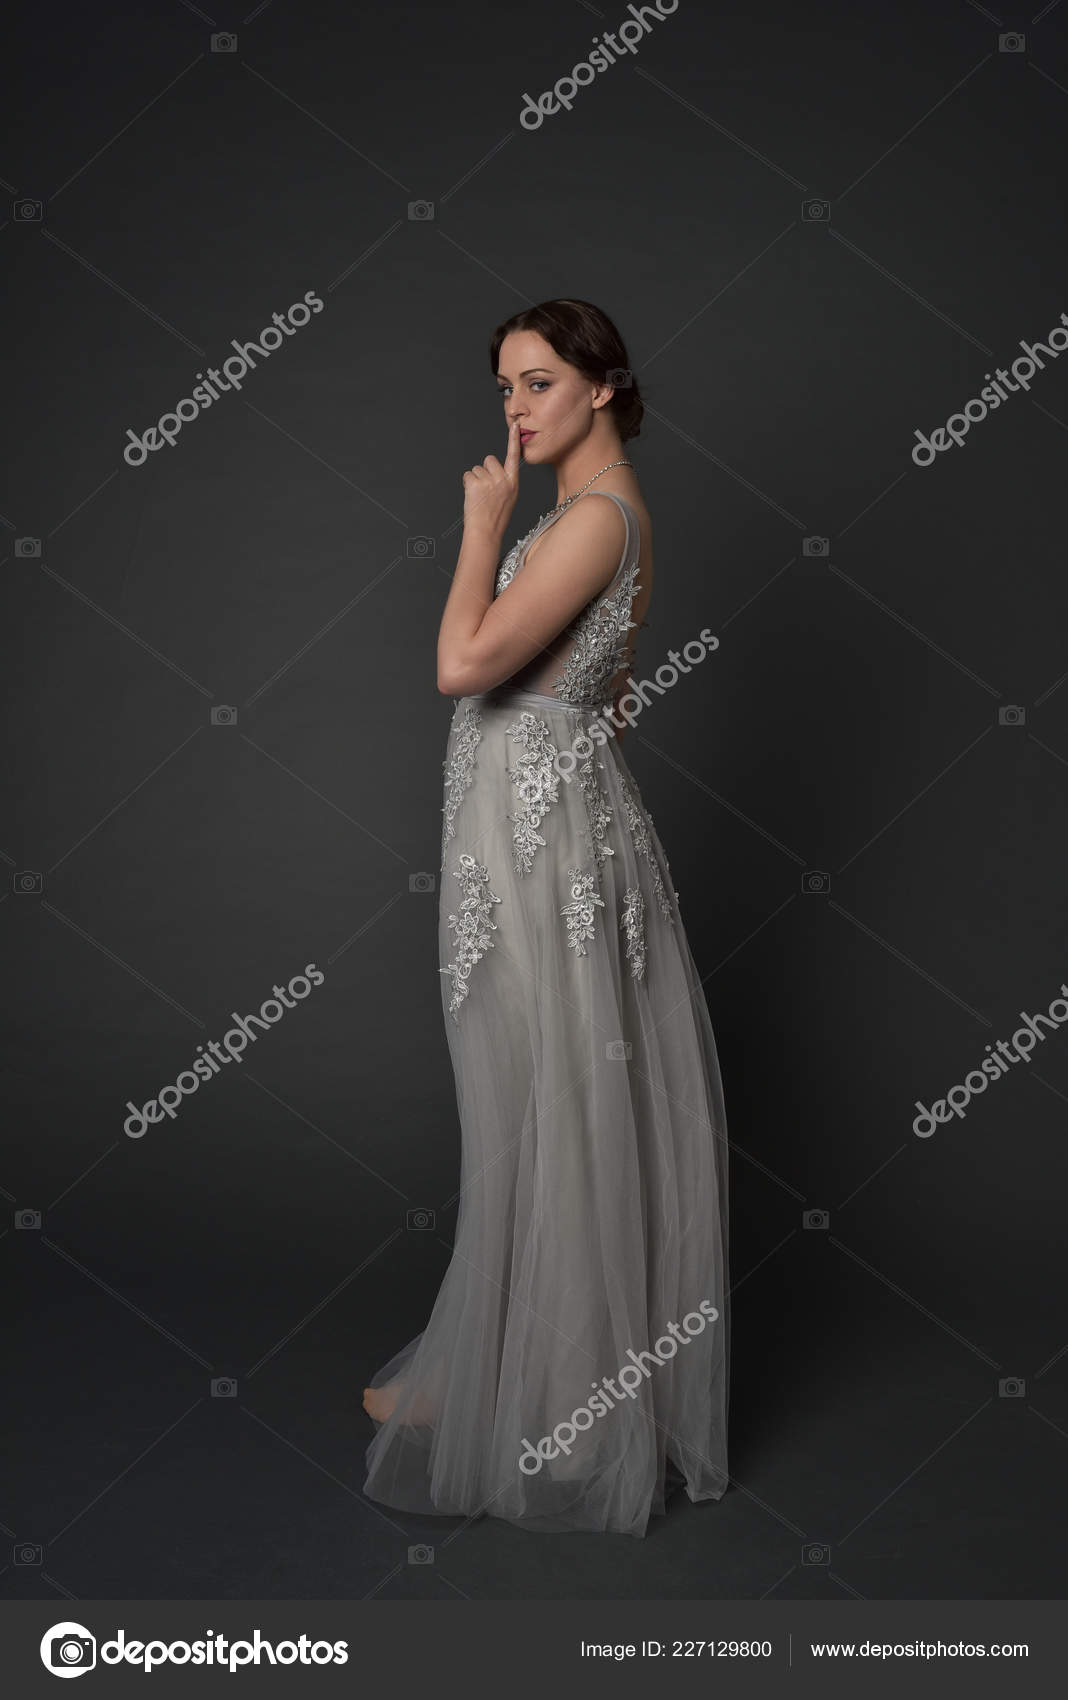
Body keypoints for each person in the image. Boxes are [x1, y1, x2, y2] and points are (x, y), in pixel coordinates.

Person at [362, 299, 729, 1537]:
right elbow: (605, 690)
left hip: (538, 841)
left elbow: (463, 666)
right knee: (528, 1092)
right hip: (532, 827)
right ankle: (499, 1364)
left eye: (536, 383)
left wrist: (478, 529)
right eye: (504, 388)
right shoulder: (598, 520)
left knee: (552, 1095)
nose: (514, 409)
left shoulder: (590, 521)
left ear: (606, 388)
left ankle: (565, 1394)